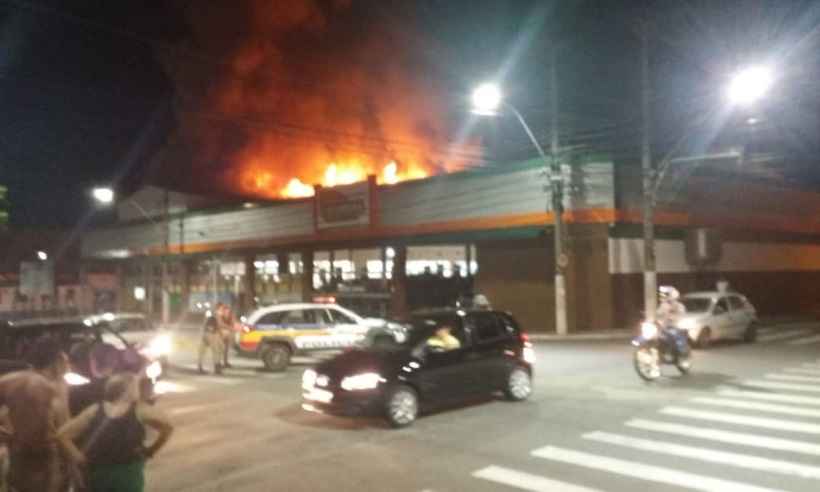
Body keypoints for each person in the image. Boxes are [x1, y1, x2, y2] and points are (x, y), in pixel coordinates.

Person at [57, 373, 174, 492]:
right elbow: (168, 427)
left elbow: (62, 435)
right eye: (136, 386)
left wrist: (79, 458)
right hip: (128, 472)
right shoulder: (140, 410)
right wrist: (151, 450)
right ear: (128, 390)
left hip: (98, 471)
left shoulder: (95, 409)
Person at [0, 336, 75, 492]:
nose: (68, 367)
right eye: (65, 362)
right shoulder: (55, 387)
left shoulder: (11, 380)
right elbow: (64, 429)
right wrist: (74, 460)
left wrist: (6, 434)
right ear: (56, 362)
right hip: (47, 459)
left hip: (18, 455)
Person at [197, 305, 225, 375]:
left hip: (208, 334)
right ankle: (217, 367)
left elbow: (206, 325)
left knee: (219, 349)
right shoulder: (214, 317)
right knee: (216, 351)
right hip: (211, 334)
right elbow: (213, 327)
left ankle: (215, 366)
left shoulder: (213, 316)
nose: (222, 311)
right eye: (221, 310)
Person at [219, 305, 236, 369]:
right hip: (220, 334)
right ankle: (219, 363)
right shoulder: (220, 316)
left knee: (226, 349)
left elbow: (233, 323)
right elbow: (220, 324)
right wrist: (229, 327)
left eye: (228, 311)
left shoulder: (230, 316)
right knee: (221, 349)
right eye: (226, 311)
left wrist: (230, 328)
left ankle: (225, 362)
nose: (227, 312)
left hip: (227, 334)